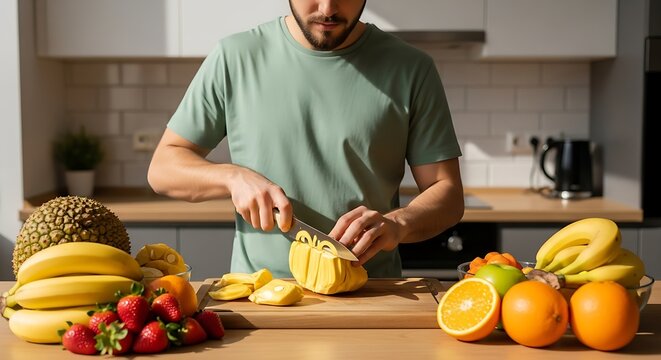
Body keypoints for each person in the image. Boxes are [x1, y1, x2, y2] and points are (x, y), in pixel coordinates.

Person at [148, 0, 464, 279]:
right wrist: (232, 177)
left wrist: (399, 223)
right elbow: (163, 168)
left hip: (373, 295)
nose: (327, 9)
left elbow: (447, 194)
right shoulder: (234, 58)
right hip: (261, 299)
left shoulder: (412, 69)